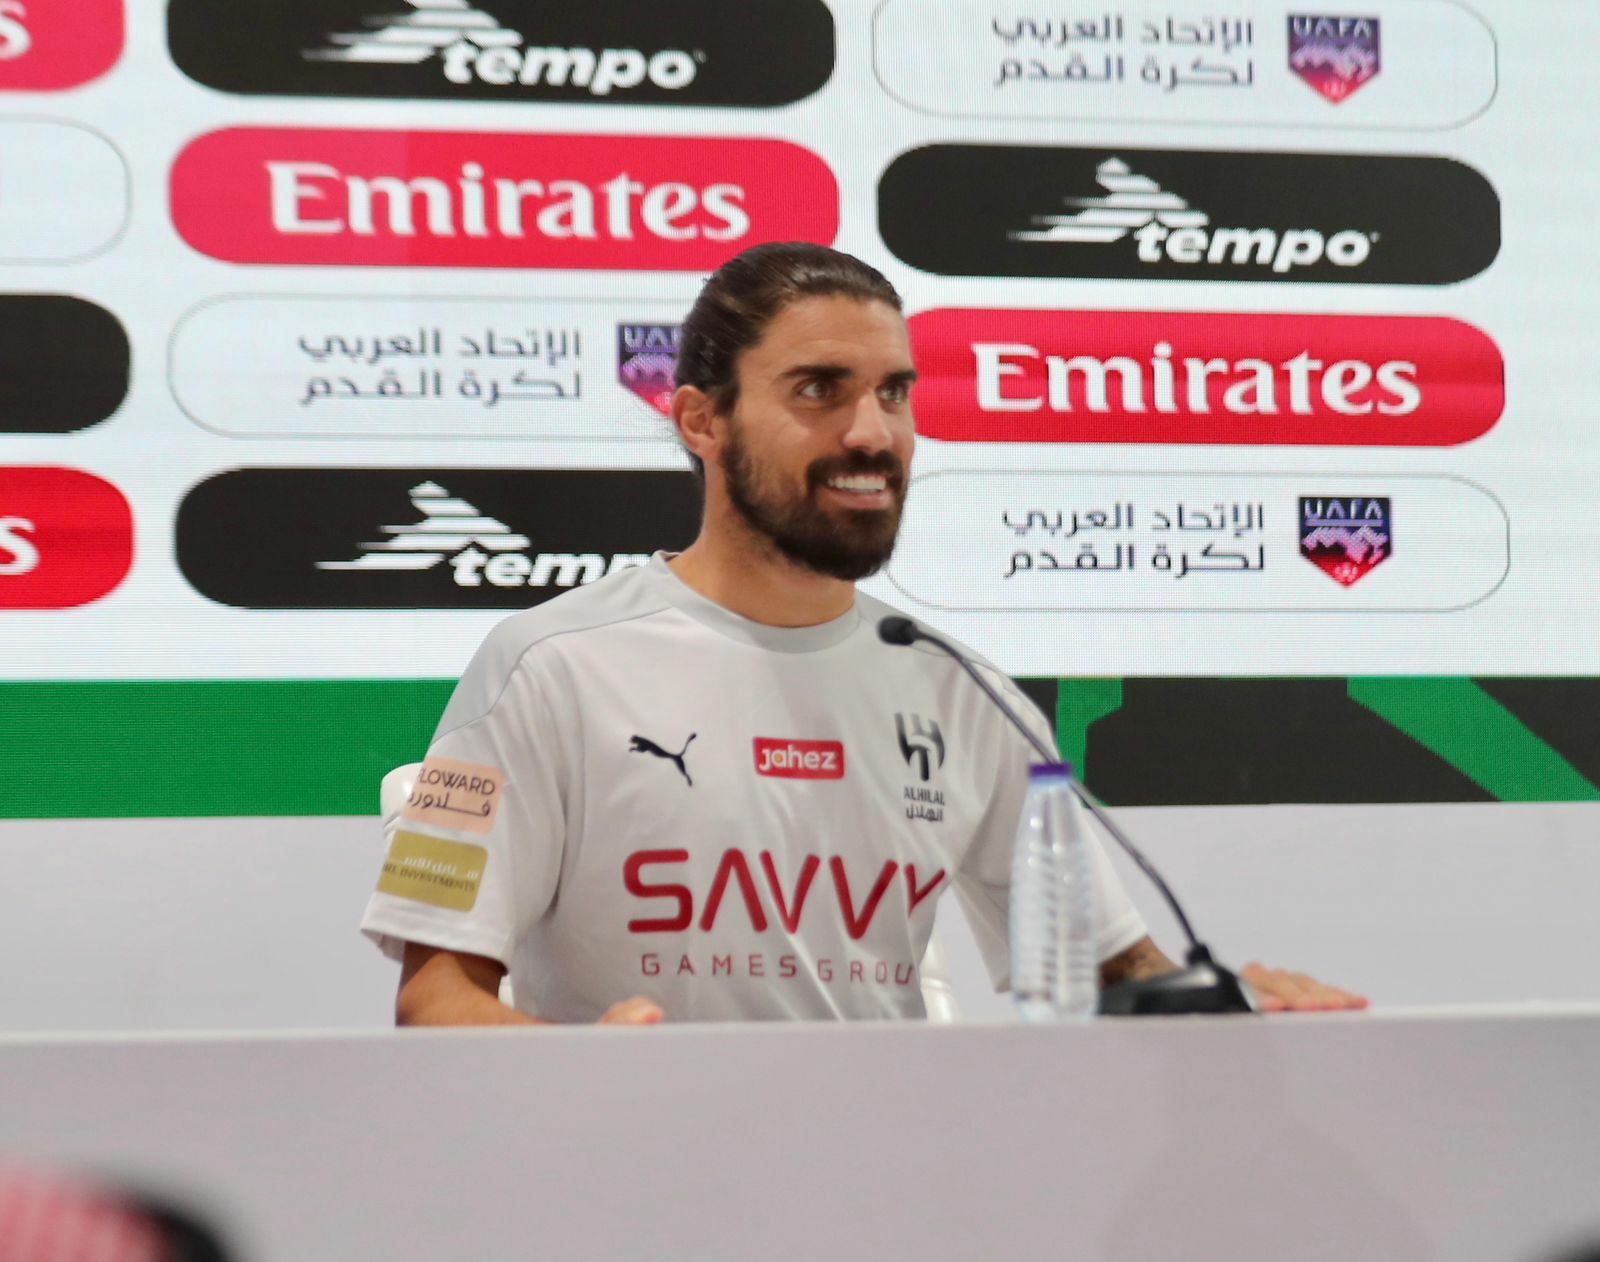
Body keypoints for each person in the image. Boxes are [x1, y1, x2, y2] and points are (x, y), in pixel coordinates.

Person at [359, 242, 1366, 1025]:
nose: (873, 433)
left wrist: (1240, 1008)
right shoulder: (542, 663)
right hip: (635, 1174)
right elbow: (433, 1000)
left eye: (894, 392)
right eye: (819, 389)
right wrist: (590, 1069)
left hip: (893, 1178)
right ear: (701, 421)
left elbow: (1118, 973)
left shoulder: (958, 686)